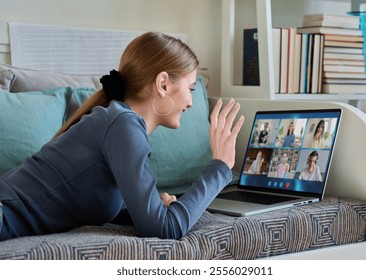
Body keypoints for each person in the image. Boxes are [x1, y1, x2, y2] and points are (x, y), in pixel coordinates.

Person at [0, 32, 244, 241]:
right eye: (190, 89)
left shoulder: (117, 121)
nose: (191, 102)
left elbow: (94, 203)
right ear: (163, 84)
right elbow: (165, 230)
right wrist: (220, 167)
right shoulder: (123, 125)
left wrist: (155, 207)